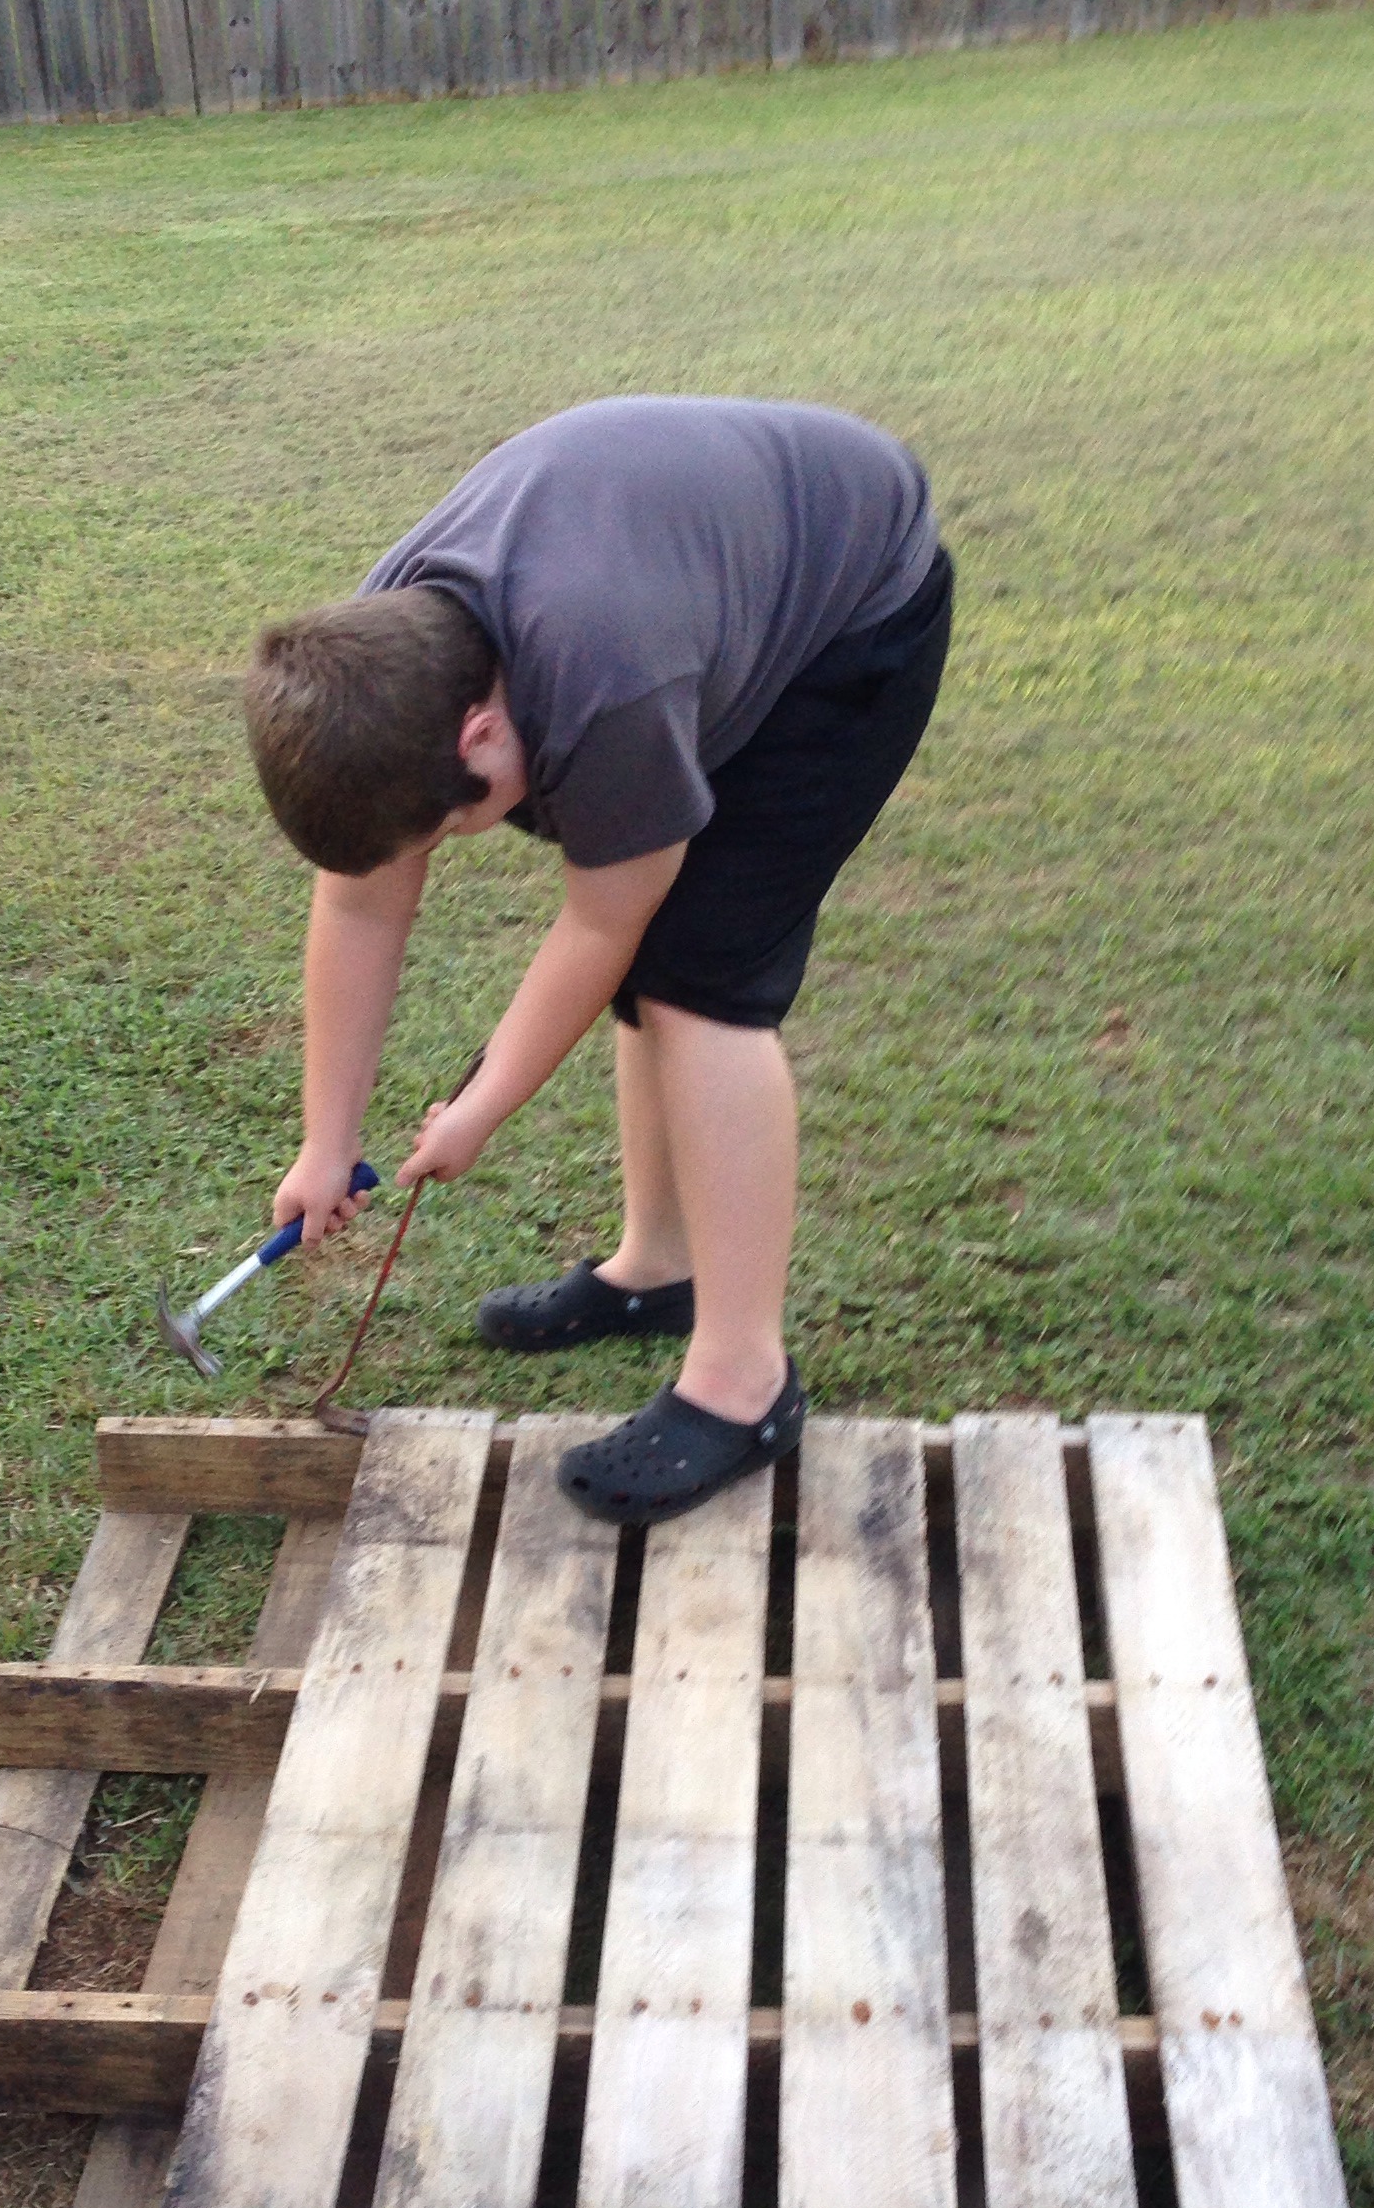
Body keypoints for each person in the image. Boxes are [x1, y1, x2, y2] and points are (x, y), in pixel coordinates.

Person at [244, 395, 951, 1526]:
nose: (456, 845)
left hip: (852, 607)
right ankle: (656, 1272)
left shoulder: (608, 679)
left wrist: (480, 1111)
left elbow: (599, 925)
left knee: (703, 984)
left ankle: (744, 1384)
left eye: (452, 828)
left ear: (480, 732)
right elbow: (361, 908)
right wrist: (326, 1142)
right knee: (661, 967)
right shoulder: (381, 665)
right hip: (696, 584)